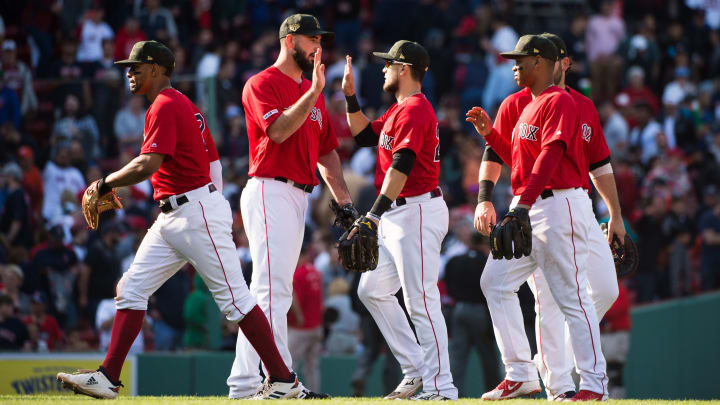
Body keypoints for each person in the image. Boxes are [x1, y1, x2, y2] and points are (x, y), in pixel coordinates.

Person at [57, 40, 305, 400]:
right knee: (131, 289)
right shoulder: (186, 106)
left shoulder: (166, 104)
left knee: (237, 302)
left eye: (136, 66)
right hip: (177, 214)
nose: (129, 72)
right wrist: (212, 202)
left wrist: (103, 182)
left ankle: (284, 380)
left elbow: (148, 163)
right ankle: (108, 377)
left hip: (194, 211)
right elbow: (214, 163)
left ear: (156, 68)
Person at [474, 33, 624, 400]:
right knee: (494, 282)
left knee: (574, 298)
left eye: (520, 60)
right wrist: (491, 135)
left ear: (540, 62)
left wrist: (521, 205)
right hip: (531, 205)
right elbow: (520, 162)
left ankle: (593, 384)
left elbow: (550, 157)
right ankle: (522, 374)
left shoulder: (560, 102)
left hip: (559, 205)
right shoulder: (524, 105)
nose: (513, 66)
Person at [227, 14, 352, 400]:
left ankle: (245, 383)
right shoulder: (262, 83)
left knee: (269, 291)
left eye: (321, 39)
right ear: (289, 40)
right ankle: (281, 380)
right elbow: (278, 131)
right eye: (312, 38)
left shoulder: (311, 93)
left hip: (299, 195)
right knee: (271, 290)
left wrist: (344, 201)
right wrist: (314, 91)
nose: (319, 46)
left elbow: (328, 153)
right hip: (269, 188)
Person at [342, 40, 458, 400]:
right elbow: (362, 135)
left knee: (421, 300)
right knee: (371, 290)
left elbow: (402, 165)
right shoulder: (398, 110)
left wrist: (373, 214)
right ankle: (417, 369)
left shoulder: (415, 110)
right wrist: (350, 97)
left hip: (416, 210)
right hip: (399, 211)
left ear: (404, 68)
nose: (383, 69)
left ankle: (443, 387)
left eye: (388, 63)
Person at [444, 232, 500, 395]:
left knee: (457, 358)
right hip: (480, 312)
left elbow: (449, 287)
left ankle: (453, 394)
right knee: (487, 355)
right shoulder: (488, 262)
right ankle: (494, 393)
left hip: (459, 310)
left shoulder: (454, 261)